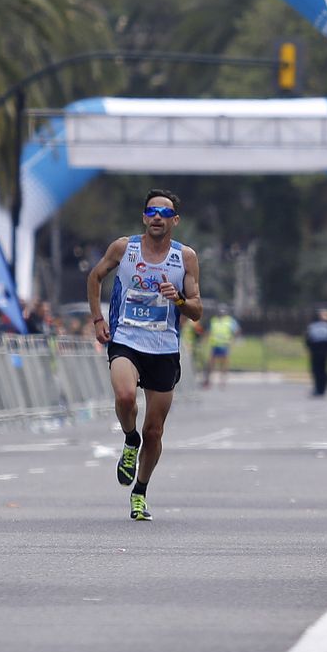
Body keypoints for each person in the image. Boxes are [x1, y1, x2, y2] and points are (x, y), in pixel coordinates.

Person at [86, 188, 202, 522]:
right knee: (124, 397)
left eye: (164, 214)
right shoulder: (125, 248)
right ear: (143, 217)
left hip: (164, 347)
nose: (157, 218)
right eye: (152, 212)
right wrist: (97, 319)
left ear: (175, 221)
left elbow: (196, 310)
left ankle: (140, 491)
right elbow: (95, 277)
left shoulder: (186, 257)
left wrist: (178, 299)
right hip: (126, 338)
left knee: (155, 431)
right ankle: (128, 439)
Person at [202, 307, 239, 388]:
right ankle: (209, 381)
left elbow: (236, 331)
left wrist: (234, 340)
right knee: (211, 364)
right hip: (215, 345)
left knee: (223, 364)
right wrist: (205, 339)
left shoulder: (230, 321)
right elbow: (209, 331)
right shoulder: (214, 320)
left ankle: (222, 381)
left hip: (224, 345)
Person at [305, 310, 327, 397]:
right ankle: (322, 389)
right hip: (324, 351)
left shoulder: (312, 326)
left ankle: (318, 388)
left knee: (317, 371)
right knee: (322, 370)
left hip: (315, 351)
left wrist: (310, 348)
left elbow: (308, 340)